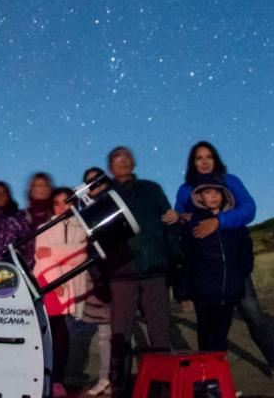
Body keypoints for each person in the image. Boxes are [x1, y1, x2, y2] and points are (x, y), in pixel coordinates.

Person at [163, 141, 274, 387]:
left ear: (215, 159)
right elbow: (184, 225)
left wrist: (220, 222)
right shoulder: (186, 190)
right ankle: (215, 381)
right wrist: (178, 218)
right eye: (198, 158)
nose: (204, 162)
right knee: (212, 328)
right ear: (192, 163)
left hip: (234, 268)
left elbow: (249, 209)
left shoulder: (230, 181)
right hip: (208, 273)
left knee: (254, 316)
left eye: (208, 157)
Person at [105, 146, 179, 398]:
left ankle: (163, 385)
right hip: (121, 273)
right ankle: (119, 387)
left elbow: (169, 223)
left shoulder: (152, 189)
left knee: (159, 332)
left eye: (126, 157)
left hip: (153, 269)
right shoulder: (105, 197)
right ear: (110, 167)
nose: (122, 162)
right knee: (121, 335)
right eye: (117, 158)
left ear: (134, 163)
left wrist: (174, 261)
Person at [178, 174, 254, 353]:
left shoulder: (234, 223)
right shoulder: (192, 223)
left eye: (217, 192)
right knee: (205, 334)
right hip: (203, 292)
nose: (213, 196)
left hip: (229, 290)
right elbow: (184, 257)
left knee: (221, 335)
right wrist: (184, 290)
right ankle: (206, 374)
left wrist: (241, 273)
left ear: (224, 195)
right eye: (207, 192)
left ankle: (219, 371)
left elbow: (246, 250)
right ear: (199, 197)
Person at [33, 187, 89, 398]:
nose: (62, 206)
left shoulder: (83, 226)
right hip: (49, 283)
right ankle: (43, 378)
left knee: (65, 336)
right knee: (51, 334)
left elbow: (81, 256)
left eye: (67, 201)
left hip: (71, 285)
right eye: (56, 203)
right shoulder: (44, 227)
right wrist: (57, 277)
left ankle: (58, 380)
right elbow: (42, 256)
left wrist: (55, 253)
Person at [77, 167, 112, 396]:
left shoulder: (113, 203)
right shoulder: (85, 210)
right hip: (100, 274)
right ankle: (105, 378)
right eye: (90, 184)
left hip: (121, 271)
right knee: (105, 333)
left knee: (120, 332)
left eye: (98, 182)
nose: (95, 187)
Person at [0, 180, 32, 269]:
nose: (0, 196)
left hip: (13, 270)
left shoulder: (19, 220)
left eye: (4, 193)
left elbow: (29, 245)